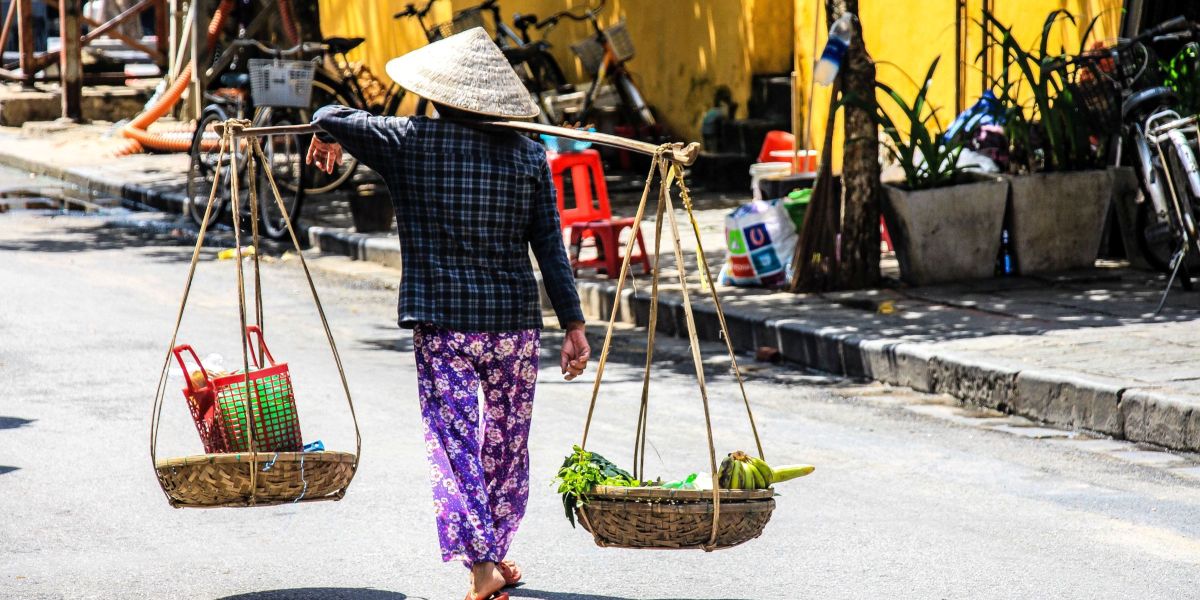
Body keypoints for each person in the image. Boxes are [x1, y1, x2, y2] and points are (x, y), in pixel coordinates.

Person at [305, 28, 590, 600]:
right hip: (513, 327)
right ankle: (493, 549)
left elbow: (334, 109)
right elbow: (550, 248)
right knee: (507, 443)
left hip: (445, 326)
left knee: (454, 443)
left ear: (437, 95)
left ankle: (483, 562)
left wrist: (323, 131)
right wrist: (574, 323)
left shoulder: (409, 140)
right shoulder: (530, 155)